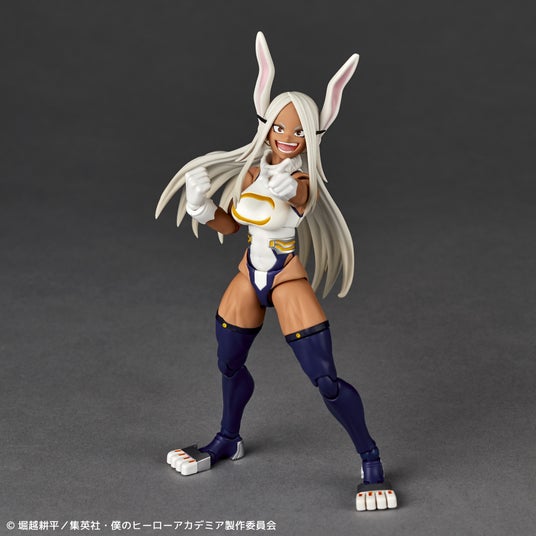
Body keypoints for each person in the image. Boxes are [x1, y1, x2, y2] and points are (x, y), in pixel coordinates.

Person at [156, 32, 397, 511]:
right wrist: (202, 206)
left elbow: (298, 202)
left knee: (325, 379)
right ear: (266, 126)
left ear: (313, 135)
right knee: (228, 363)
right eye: (280, 128)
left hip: (286, 275)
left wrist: (287, 191)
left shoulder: (302, 178)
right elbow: (232, 223)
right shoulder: (251, 172)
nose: (288, 138)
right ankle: (227, 438)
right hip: (250, 272)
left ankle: (370, 460)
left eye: (299, 132)